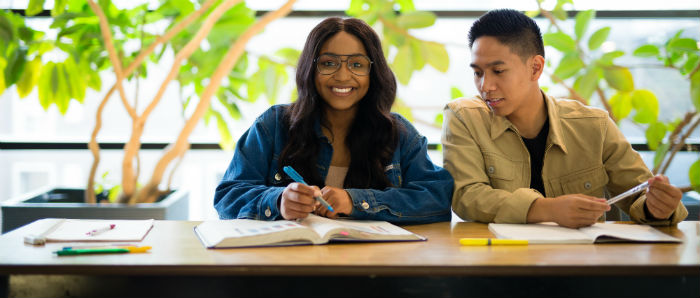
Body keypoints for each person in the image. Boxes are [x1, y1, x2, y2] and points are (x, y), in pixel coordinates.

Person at [442, 9, 687, 228]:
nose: (485, 86)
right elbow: (467, 196)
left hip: (583, 266)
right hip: (498, 264)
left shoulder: (594, 126)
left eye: (498, 71)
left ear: (536, 68)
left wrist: (658, 207)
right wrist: (548, 209)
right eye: (477, 72)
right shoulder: (464, 117)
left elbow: (640, 194)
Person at [214, 17, 453, 224]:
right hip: (287, 265)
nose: (342, 76)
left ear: (374, 72)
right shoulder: (273, 125)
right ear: (310, 68)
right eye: (328, 63)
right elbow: (227, 196)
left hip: (376, 266)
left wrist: (355, 201)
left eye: (357, 64)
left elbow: (437, 198)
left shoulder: (398, 133)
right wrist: (277, 201)